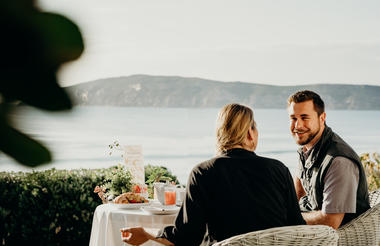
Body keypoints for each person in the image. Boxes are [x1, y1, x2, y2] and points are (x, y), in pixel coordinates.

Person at [121, 103, 305, 246]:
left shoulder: (202, 173)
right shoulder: (278, 169)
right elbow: (297, 228)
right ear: (250, 133)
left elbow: (186, 239)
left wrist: (145, 232)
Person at [287, 90, 370, 229]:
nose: (298, 126)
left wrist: (289, 216)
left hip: (338, 237)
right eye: (293, 118)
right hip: (311, 229)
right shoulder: (307, 148)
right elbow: (299, 189)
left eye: (304, 117)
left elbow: (330, 221)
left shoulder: (339, 160)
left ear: (322, 118)